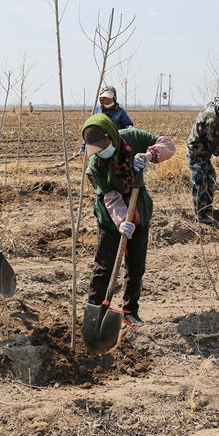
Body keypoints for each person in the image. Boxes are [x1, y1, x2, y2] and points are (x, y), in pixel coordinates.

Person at [82, 113, 175, 325]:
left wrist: (149, 155)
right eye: (96, 149)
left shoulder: (132, 137)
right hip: (111, 215)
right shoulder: (96, 164)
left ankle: (130, 310)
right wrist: (122, 220)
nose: (101, 152)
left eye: (103, 146)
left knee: (136, 265)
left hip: (139, 209)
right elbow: (110, 196)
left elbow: (168, 144)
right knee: (104, 266)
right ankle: (95, 311)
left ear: (112, 137)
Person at [186, 93, 219, 224]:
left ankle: (207, 210)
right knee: (200, 183)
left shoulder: (215, 108)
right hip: (196, 153)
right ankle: (200, 214)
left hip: (203, 153)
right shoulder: (213, 120)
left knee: (211, 178)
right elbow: (212, 145)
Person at [72, 86, 134, 159]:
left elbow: (128, 126)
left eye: (108, 98)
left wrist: (129, 128)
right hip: (98, 145)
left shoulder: (120, 112)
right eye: (104, 98)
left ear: (114, 98)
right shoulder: (97, 110)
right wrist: (83, 147)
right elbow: (90, 130)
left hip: (115, 145)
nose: (106, 100)